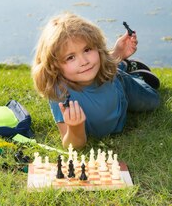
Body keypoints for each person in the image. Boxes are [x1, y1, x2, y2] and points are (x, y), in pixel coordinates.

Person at [31, 12, 160, 149]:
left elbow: (100, 61)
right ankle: (122, 63)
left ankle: (131, 71)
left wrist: (117, 53)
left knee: (154, 102)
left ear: (97, 47)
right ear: (54, 65)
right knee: (104, 66)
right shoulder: (60, 93)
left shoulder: (99, 68)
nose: (84, 61)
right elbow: (71, 146)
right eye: (70, 57)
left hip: (119, 83)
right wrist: (75, 128)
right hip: (109, 78)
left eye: (87, 50)